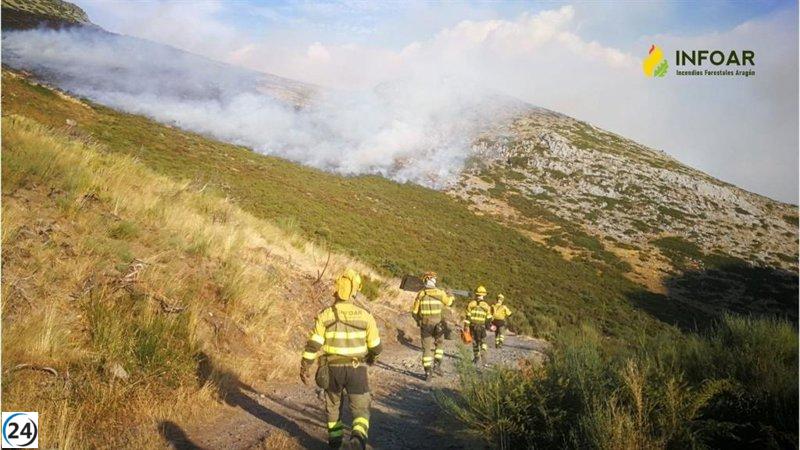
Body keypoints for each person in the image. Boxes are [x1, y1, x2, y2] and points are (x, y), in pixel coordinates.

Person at [300, 269, 382, 450]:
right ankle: (357, 442)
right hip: (357, 370)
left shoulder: (325, 314)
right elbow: (376, 347)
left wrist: (305, 366)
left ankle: (336, 445)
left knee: (333, 409)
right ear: (355, 290)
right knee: (361, 411)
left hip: (332, 370)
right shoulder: (365, 316)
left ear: (336, 290)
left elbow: (313, 345)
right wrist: (372, 357)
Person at [411, 271, 454, 380]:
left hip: (425, 325)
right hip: (438, 324)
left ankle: (427, 372)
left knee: (426, 348)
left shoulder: (421, 294)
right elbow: (449, 303)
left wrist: (419, 321)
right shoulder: (440, 293)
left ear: (425, 280)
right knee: (439, 344)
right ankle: (437, 365)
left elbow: (414, 312)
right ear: (434, 280)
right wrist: (451, 295)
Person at [465, 286, 492, 363]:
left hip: (472, 326)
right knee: (483, 342)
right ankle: (484, 356)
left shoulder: (471, 304)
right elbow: (489, 317)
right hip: (481, 327)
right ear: (484, 295)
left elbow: (468, 317)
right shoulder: (486, 306)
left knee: (475, 342)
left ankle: (476, 357)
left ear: (476, 294)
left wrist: (466, 326)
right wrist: (488, 326)